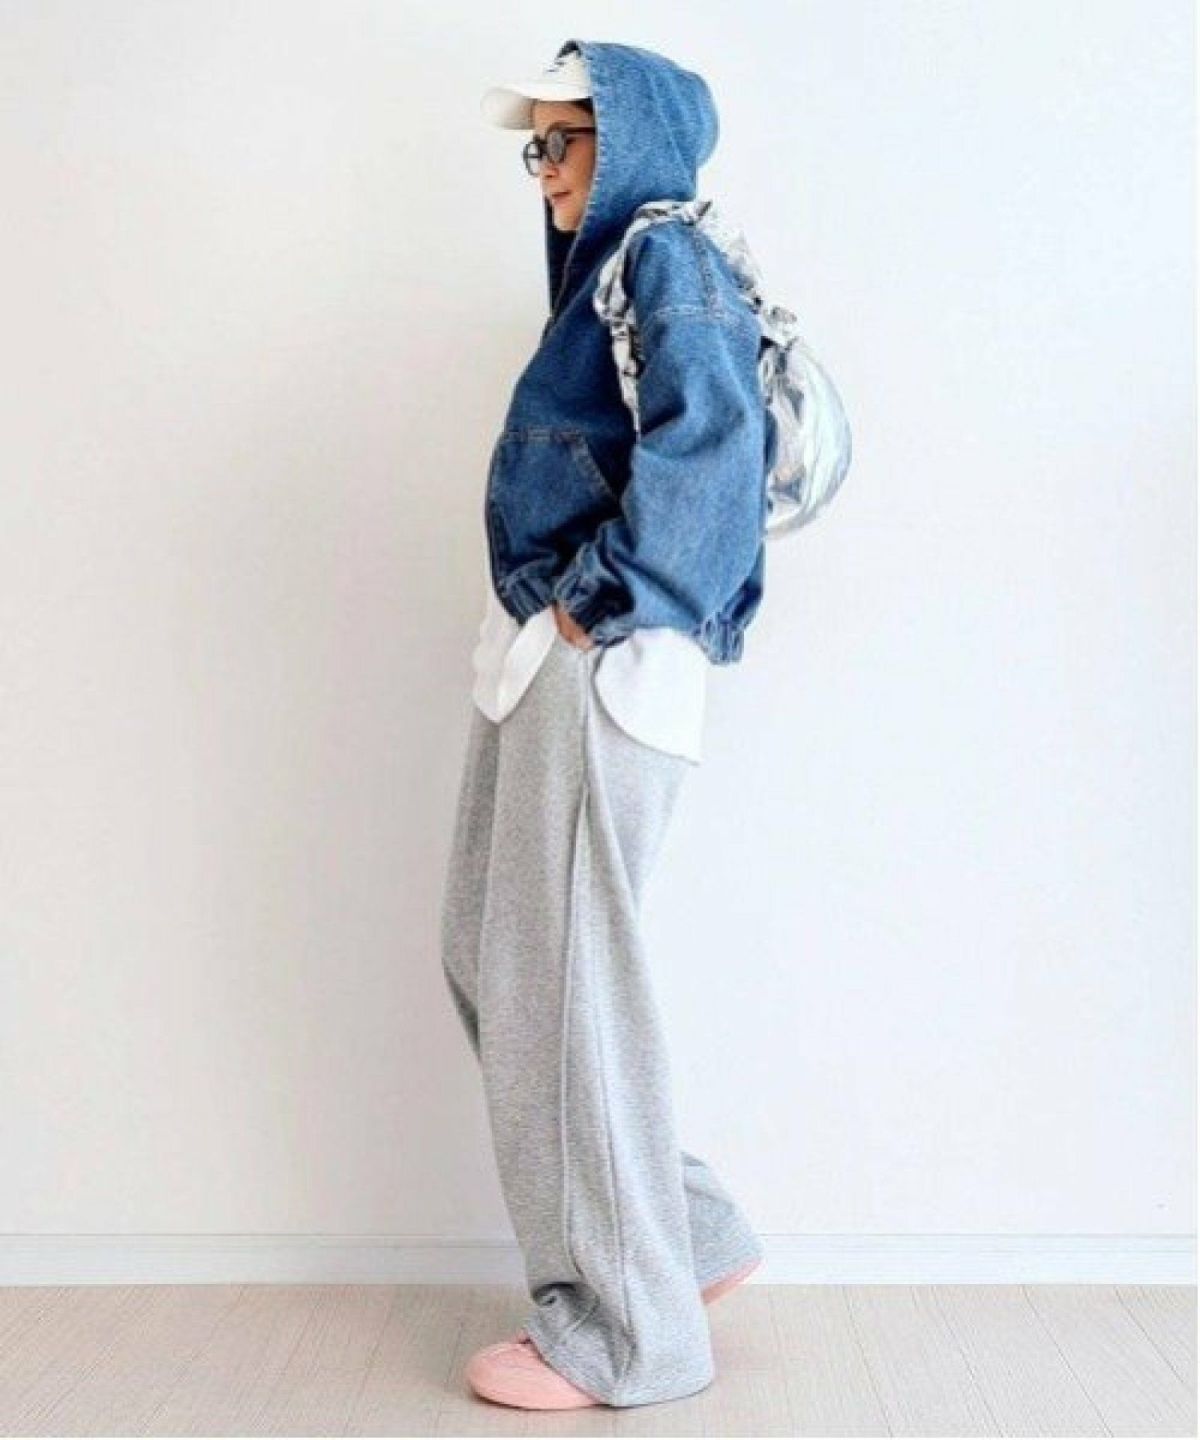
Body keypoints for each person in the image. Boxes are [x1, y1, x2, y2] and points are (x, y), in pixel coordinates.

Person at [439, 39, 767, 1411]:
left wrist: (598, 605)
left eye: (565, 139)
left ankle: (629, 1330)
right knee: (491, 957)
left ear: (631, 138)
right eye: (538, 145)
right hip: (547, 656)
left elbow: (717, 454)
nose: (545, 168)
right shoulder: (611, 275)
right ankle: (684, 1237)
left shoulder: (666, 259)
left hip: (602, 661)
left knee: (558, 984)